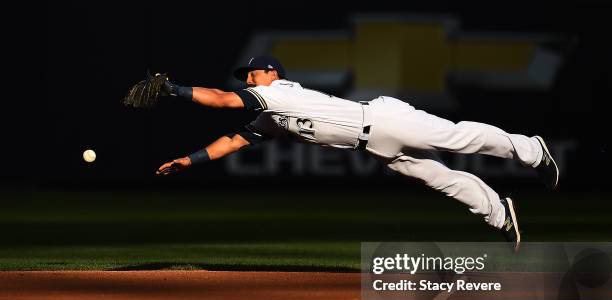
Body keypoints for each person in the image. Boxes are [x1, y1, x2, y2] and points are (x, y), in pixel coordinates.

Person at [156, 56, 559, 251]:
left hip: (383, 120)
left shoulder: (275, 93)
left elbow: (225, 100)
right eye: (247, 77)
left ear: (270, 74)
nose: (247, 80)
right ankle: (500, 213)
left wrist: (174, 90)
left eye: (251, 74)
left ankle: (530, 150)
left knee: (458, 139)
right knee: (439, 178)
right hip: (374, 144)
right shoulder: (270, 116)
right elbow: (234, 141)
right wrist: (188, 161)